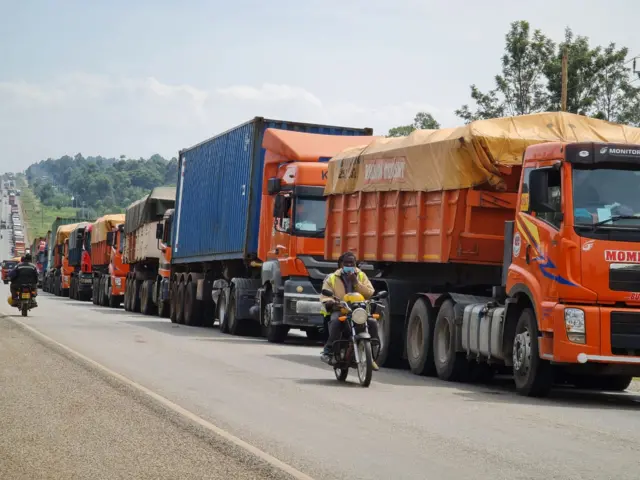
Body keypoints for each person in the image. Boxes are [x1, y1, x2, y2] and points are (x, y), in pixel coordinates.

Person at [320, 251, 380, 370]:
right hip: (341, 309)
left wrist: (355, 282)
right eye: (346, 263)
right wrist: (331, 302)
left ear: (355, 264)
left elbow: (369, 293)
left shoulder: (361, 276)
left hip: (359, 309)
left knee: (372, 322)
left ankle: (371, 356)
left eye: (351, 263)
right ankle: (329, 350)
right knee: (336, 321)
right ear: (341, 264)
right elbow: (325, 295)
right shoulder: (332, 277)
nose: (349, 265)